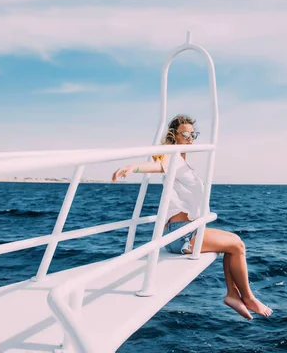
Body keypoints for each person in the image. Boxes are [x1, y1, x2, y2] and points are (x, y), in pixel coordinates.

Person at [112, 114, 272, 319]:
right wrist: (132, 167)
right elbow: (157, 165)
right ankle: (248, 298)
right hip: (181, 235)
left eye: (193, 134)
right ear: (174, 135)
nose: (190, 138)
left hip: (187, 229)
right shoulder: (172, 157)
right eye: (185, 134)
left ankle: (233, 295)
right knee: (237, 247)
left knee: (235, 241)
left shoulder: (181, 161)